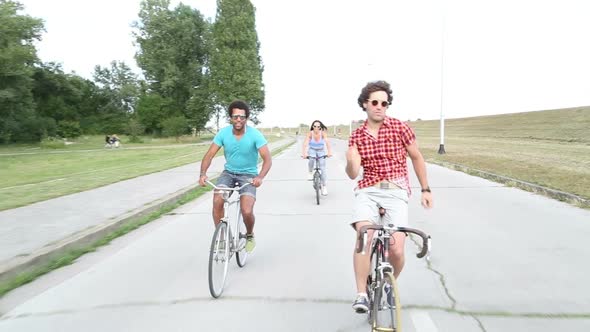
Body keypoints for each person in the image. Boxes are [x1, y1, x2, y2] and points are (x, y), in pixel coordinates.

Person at [345, 80, 433, 313]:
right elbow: (353, 173)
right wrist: (352, 161)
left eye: (384, 103)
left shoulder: (399, 128)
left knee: (396, 250)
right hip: (368, 190)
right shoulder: (357, 136)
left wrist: (425, 189)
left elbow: (416, 157)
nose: (379, 107)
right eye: (374, 102)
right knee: (365, 235)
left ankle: (388, 284)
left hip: (396, 190)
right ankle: (362, 294)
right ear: (365, 104)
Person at [199, 100, 272, 253]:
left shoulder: (255, 134)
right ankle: (222, 237)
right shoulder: (223, 133)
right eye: (235, 116)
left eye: (242, 117)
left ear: (246, 118)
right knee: (218, 199)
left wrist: (260, 177)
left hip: (249, 175)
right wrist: (203, 174)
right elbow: (209, 155)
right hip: (229, 173)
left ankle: (250, 234)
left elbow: (267, 159)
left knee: (246, 210)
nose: (238, 119)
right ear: (231, 118)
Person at [301, 120, 333, 195]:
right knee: (311, 159)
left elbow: (327, 142)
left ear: (320, 127)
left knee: (323, 169)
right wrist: (304, 153)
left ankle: (324, 187)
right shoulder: (310, 133)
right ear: (312, 127)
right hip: (312, 150)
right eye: (314, 126)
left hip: (321, 151)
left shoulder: (323, 134)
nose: (316, 128)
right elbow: (305, 143)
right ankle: (310, 172)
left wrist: (329, 152)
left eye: (318, 126)